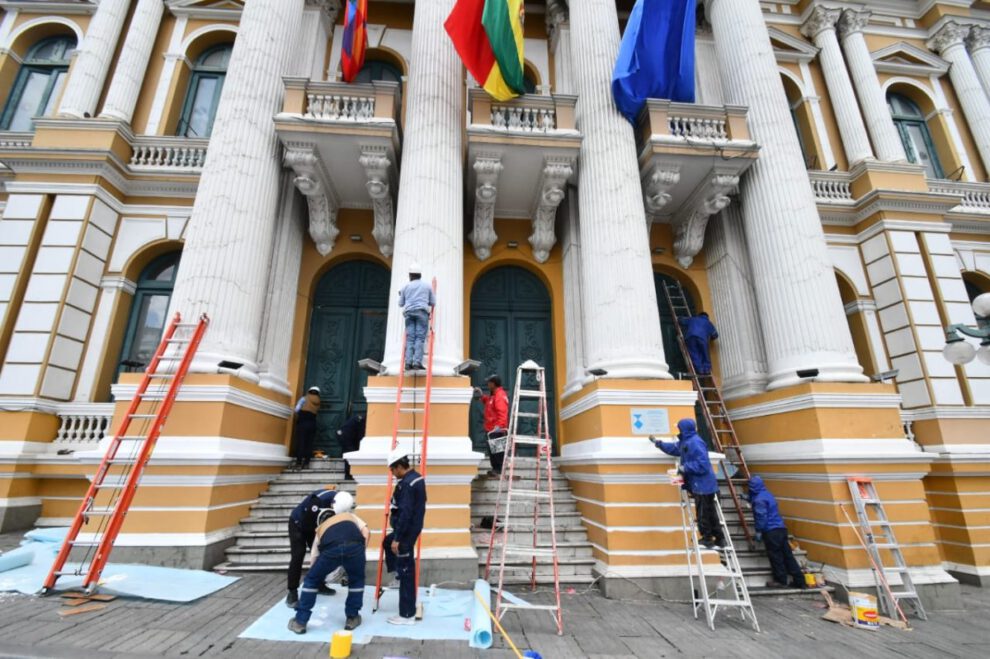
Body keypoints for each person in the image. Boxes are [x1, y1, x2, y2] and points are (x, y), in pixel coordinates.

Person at [288, 491, 369, 634]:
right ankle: (352, 617)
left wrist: (313, 575)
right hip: (356, 547)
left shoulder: (321, 528)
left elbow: (314, 554)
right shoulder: (351, 517)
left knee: (311, 581)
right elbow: (366, 532)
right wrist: (360, 553)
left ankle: (300, 621)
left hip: (331, 549)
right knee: (356, 581)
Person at [650, 418, 724, 548]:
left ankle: (707, 539)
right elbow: (674, 449)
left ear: (683, 429)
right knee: (710, 512)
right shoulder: (687, 441)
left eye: (679, 428)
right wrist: (658, 443)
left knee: (703, 514)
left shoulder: (695, 443)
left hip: (703, 486)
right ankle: (720, 539)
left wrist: (685, 468)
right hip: (703, 484)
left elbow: (703, 465)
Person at [382, 448, 427, 625]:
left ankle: (406, 614)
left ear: (400, 466)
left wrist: (398, 538)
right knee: (386, 542)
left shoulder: (407, 485)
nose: (392, 473)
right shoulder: (417, 477)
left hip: (406, 532)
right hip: (411, 528)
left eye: (393, 470)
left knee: (407, 571)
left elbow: (406, 513)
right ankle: (397, 574)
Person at [748, 476, 806, 589]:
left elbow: (761, 517)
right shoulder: (768, 494)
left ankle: (781, 580)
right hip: (781, 528)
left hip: (771, 531)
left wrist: (759, 531)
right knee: (788, 555)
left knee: (776, 556)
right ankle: (800, 580)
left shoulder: (759, 500)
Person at [286, 485, 339, 608]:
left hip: (314, 525)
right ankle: (292, 592)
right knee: (298, 554)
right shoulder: (318, 501)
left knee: (322, 553)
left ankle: (319, 584)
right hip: (298, 524)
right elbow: (309, 524)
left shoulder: (338, 502)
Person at [398, 262, 435, 371]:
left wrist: (401, 295)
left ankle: (408, 363)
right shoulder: (427, 286)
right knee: (419, 338)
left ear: (410, 275)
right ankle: (417, 363)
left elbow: (400, 304)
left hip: (409, 314)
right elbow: (433, 302)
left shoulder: (405, 287)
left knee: (410, 339)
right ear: (420, 275)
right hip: (421, 313)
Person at [474, 375, 509, 476]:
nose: (487, 384)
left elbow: (502, 413)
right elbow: (489, 403)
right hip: (491, 429)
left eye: (489, 382)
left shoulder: (499, 396)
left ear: (493, 383)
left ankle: (499, 471)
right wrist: (481, 396)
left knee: (498, 452)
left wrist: (498, 427)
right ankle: (495, 470)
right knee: (493, 452)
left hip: (496, 430)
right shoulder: (494, 395)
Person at [292, 386, 321, 469]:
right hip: (312, 423)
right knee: (309, 443)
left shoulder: (304, 398)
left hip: (303, 422)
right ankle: (307, 463)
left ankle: (298, 463)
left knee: (301, 442)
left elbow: (297, 409)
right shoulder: (318, 401)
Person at [337, 413, 366, 481]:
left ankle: (350, 474)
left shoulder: (360, 418)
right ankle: (348, 475)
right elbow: (360, 435)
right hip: (345, 436)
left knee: (349, 452)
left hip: (345, 435)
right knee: (350, 454)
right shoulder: (361, 420)